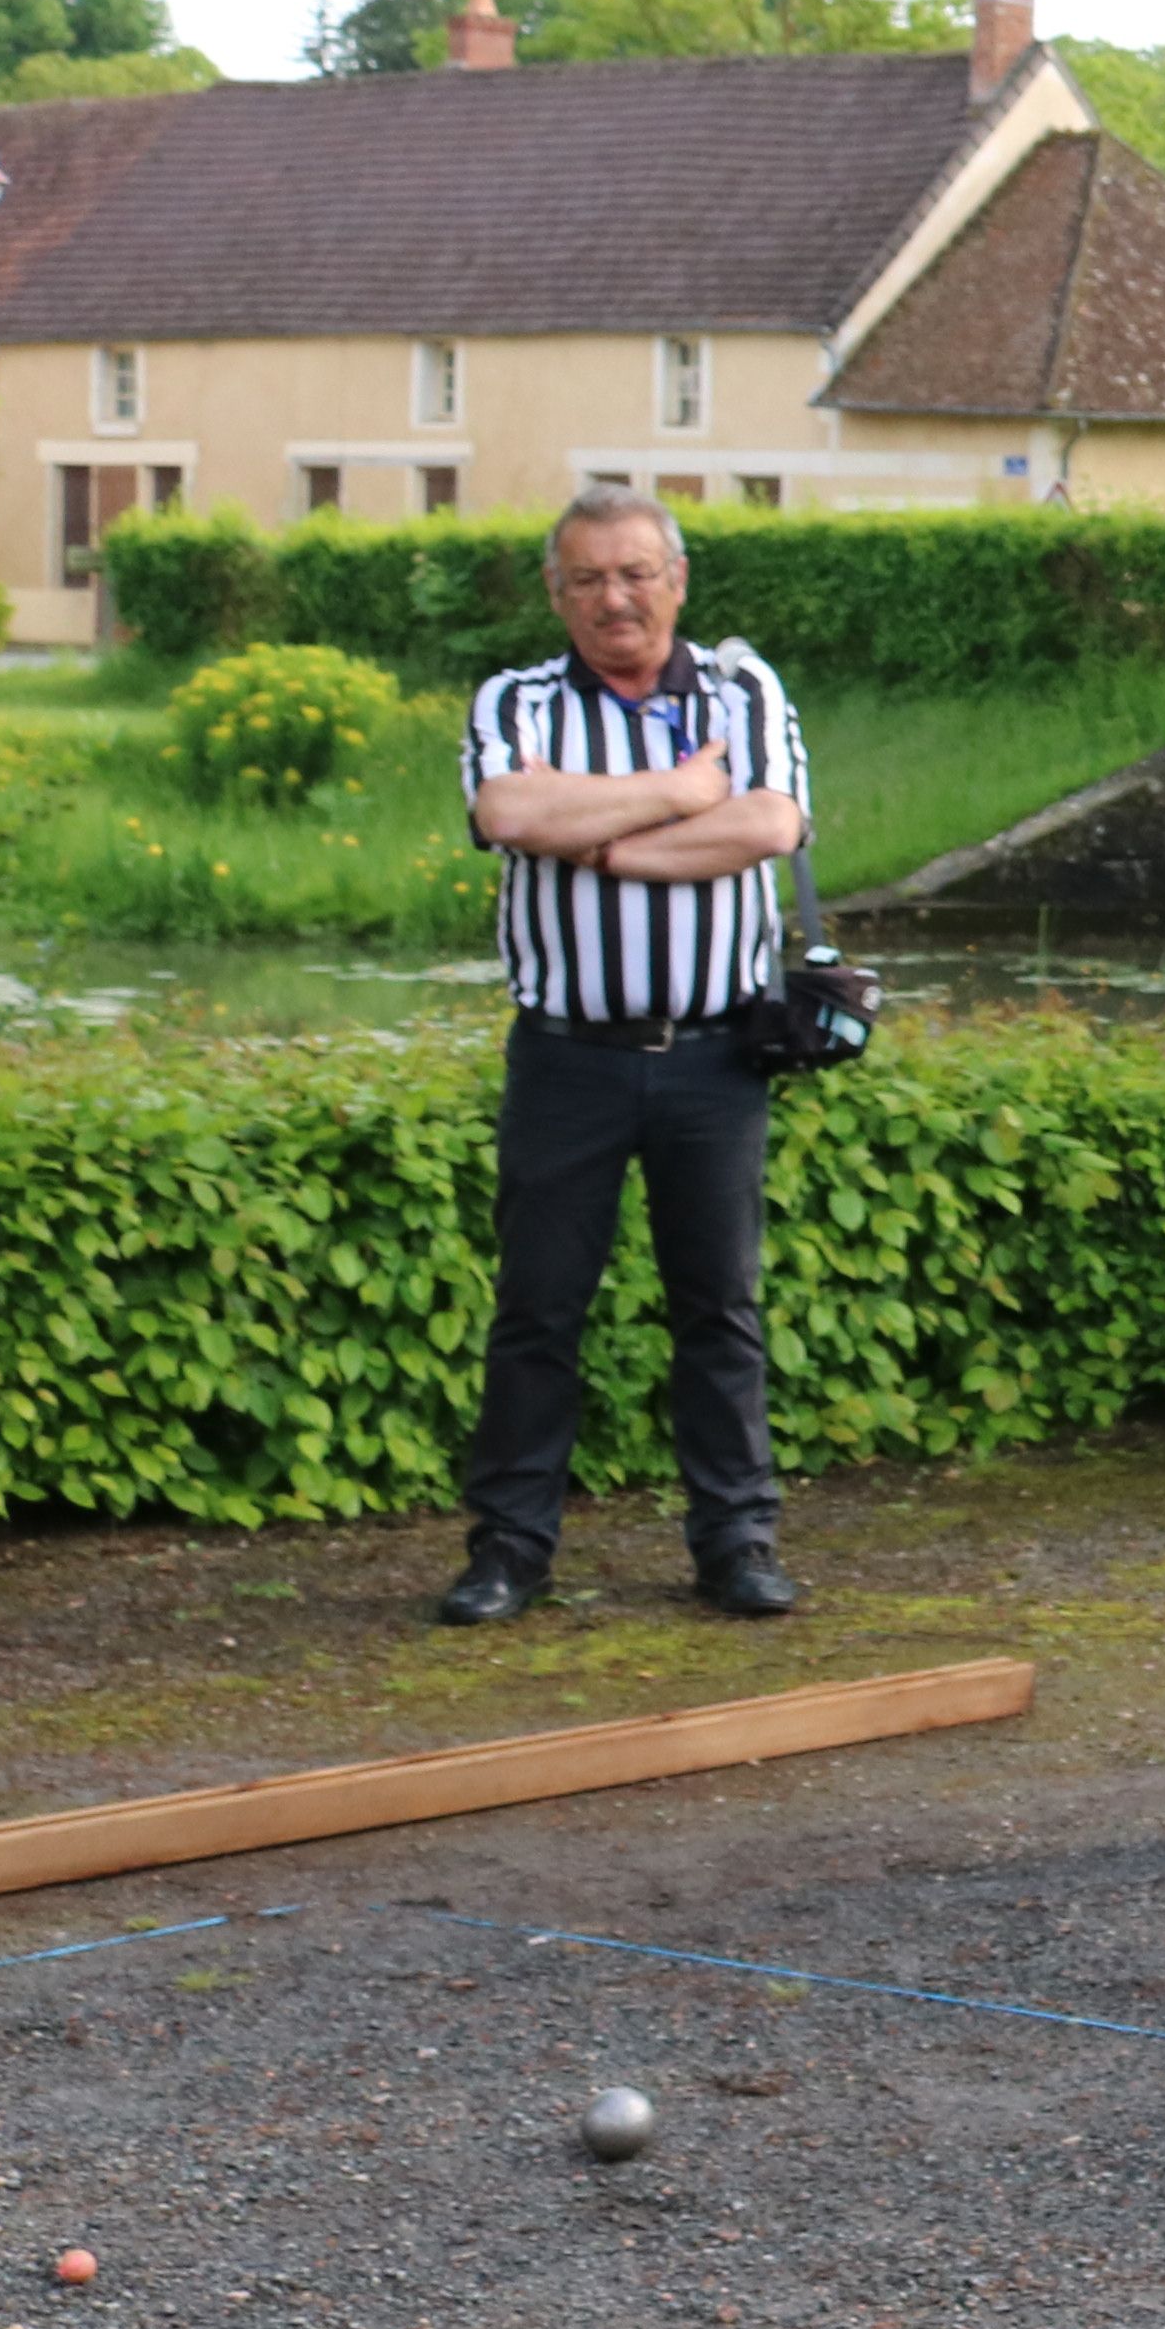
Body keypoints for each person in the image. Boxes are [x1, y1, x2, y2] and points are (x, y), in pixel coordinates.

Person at [437, 486, 822, 1628]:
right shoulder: (516, 699)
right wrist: (679, 794)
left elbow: (769, 826)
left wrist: (604, 845)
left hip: (715, 1060)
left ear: (678, 579)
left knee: (721, 1308)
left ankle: (736, 1542)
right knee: (537, 1309)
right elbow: (509, 810)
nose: (616, 598)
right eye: (590, 578)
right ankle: (509, 1550)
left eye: (637, 573)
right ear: (557, 593)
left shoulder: (744, 687)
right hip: (568, 1061)